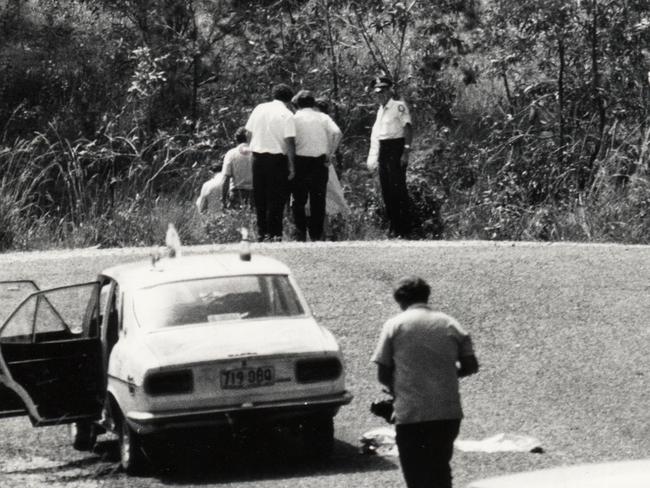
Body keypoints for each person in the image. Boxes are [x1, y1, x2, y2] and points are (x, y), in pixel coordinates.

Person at [371, 276, 479, 488]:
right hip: (446, 413)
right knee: (440, 469)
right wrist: (446, 373)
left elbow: (383, 372)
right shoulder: (450, 323)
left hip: (411, 414)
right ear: (426, 296)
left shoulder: (394, 325)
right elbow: (471, 365)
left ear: (400, 300)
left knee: (416, 474)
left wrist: (397, 390)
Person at [245, 83, 296, 241]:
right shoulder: (287, 114)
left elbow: (248, 132)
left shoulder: (259, 108)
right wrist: (292, 165)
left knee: (260, 196)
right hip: (277, 159)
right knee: (276, 198)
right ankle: (275, 234)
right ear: (289, 99)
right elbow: (289, 141)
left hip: (258, 157)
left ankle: (262, 233)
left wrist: (251, 148)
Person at [291, 90, 342, 241]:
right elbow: (337, 133)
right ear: (313, 103)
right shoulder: (322, 117)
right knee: (318, 200)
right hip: (319, 162)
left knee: (299, 200)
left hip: (300, 161)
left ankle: (300, 233)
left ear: (298, 104)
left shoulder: (294, 118)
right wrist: (330, 153)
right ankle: (316, 235)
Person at [367, 76, 413, 238]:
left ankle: (405, 228)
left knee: (398, 188)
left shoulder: (398, 106)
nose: (380, 95)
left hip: (396, 147)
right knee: (386, 189)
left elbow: (407, 127)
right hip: (384, 149)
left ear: (389, 91)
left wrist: (406, 151)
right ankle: (394, 227)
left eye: (383, 92)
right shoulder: (380, 110)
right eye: (378, 93)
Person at [222, 127, 253, 208]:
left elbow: (226, 178)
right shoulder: (257, 153)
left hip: (236, 194)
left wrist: (223, 199)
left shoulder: (231, 154)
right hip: (255, 194)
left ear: (236, 139)